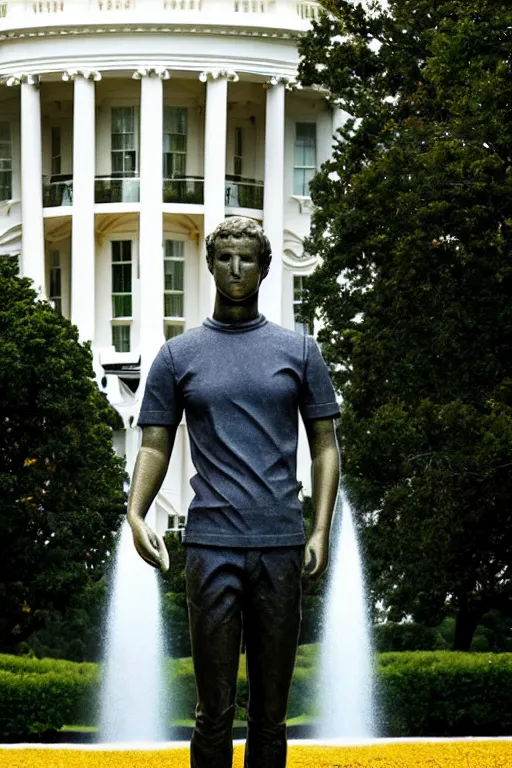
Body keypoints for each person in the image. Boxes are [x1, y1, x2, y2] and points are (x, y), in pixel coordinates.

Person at [127, 216, 340, 768]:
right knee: (212, 712)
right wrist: (136, 512)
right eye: (225, 257)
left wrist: (320, 528)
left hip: (280, 543)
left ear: (266, 268)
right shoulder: (178, 356)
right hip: (211, 544)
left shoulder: (299, 351)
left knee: (271, 716)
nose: (236, 268)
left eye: (248, 258)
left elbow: (325, 447)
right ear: (209, 263)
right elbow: (154, 444)